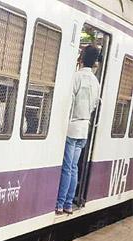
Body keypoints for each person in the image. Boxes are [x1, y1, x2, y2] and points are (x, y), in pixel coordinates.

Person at [55, 45, 101, 215]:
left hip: (72, 127)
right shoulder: (96, 82)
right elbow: (95, 104)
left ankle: (59, 204)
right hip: (84, 128)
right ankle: (68, 203)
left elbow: (69, 103)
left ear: (81, 58)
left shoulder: (76, 77)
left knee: (67, 167)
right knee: (74, 167)